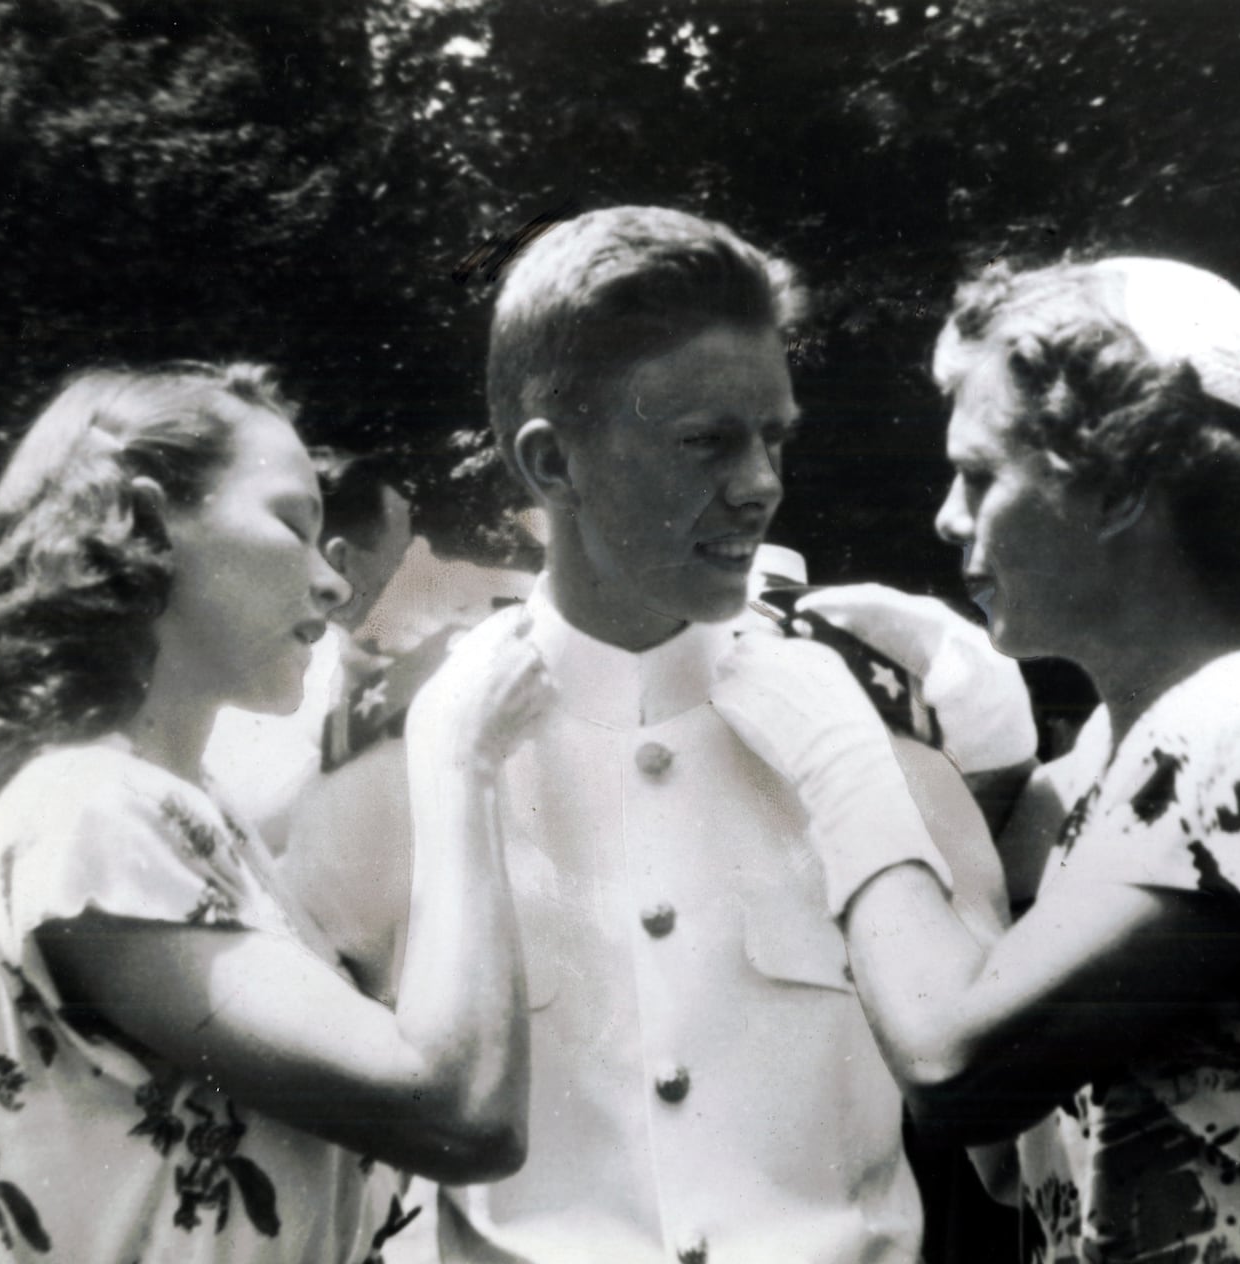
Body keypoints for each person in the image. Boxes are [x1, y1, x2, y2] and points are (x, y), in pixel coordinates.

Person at [290, 206, 1027, 1263]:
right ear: (552, 464)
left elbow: (1010, 1141)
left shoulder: (873, 743)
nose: (761, 483)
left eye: (773, 436)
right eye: (704, 443)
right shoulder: (398, 773)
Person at [718, 258, 1240, 1262]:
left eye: (979, 475)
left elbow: (952, 1064)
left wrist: (846, 747)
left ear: (1124, 485)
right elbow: (1002, 1149)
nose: (946, 516)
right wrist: (964, 755)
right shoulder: (1134, 746)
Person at [0, 364, 534, 1262]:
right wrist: (460, 756)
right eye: (293, 521)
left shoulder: (182, 808)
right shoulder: (88, 810)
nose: (332, 587)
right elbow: (458, 1112)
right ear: (151, 521)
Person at [203, 446, 417, 854]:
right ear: (341, 559)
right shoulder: (348, 675)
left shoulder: (210, 655)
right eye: (401, 556)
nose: (405, 573)